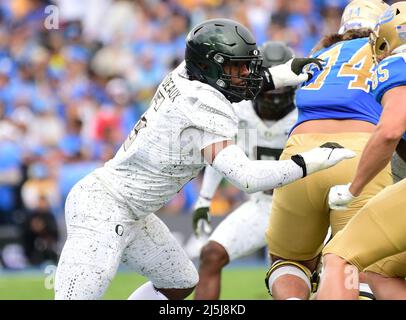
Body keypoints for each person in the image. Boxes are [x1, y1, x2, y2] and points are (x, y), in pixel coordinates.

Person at [53, 18, 353, 300]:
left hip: (134, 209)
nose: (247, 75)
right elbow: (247, 177)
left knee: (180, 283)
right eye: (239, 68)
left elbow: (227, 84)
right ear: (211, 68)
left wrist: (280, 74)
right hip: (104, 206)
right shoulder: (203, 104)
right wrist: (311, 162)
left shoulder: (186, 72)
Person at [264, 0, 392, 300]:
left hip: (301, 153)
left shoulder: (320, 53)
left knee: (289, 261)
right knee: (357, 263)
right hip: (360, 153)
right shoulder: (389, 53)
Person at [192, 41, 298, 300]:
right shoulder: (238, 109)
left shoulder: (306, 110)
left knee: (306, 273)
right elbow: (222, 154)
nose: (275, 94)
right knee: (211, 255)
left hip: (302, 204)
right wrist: (205, 198)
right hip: (263, 204)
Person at [318, 2, 406, 300]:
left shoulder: (396, 62)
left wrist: (353, 189)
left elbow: (390, 130)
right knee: (381, 270)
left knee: (340, 254)